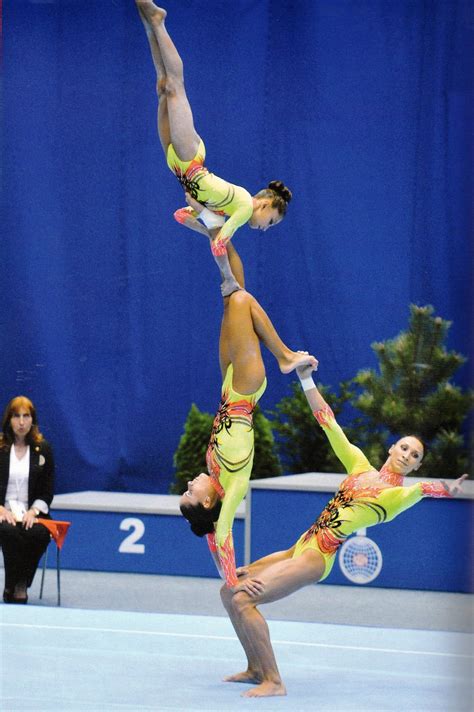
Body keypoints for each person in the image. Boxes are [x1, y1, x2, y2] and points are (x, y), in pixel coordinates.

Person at [219, 362, 468, 698]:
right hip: (300, 545)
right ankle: (255, 668)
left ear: (418, 466)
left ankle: (274, 681)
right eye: (405, 447)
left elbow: (422, 490)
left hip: (319, 556)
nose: (408, 455)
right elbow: (328, 422)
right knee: (229, 590)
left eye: (416, 455)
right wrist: (306, 378)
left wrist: (446, 488)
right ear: (393, 448)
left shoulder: (397, 496)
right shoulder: (359, 466)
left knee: (245, 597)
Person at [179, 244, 317, 589]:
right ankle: (285, 356)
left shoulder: (214, 473)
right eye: (190, 492)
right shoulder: (234, 487)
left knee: (231, 298)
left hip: (229, 386)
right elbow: (222, 532)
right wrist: (232, 580)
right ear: (208, 500)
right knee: (242, 302)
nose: (188, 484)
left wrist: (221, 570)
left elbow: (211, 537)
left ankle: (217, 232)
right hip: (246, 387)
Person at [135, 1, 292, 296]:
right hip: (190, 160)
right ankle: (157, 22)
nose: (265, 229)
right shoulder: (244, 207)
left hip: (177, 166)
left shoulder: (226, 211)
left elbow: (181, 215)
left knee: (162, 87)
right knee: (175, 87)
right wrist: (229, 280)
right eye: (270, 222)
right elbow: (218, 243)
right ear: (265, 204)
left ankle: (148, 25)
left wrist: (204, 217)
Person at [0, 396, 54, 604]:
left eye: (26, 416)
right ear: (9, 420)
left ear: (33, 420)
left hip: (30, 513)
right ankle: (13, 585)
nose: (21, 422)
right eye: (16, 416)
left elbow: (47, 492)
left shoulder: (44, 449)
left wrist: (33, 512)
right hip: (3, 514)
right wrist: (2, 511)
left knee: (40, 533)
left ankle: (19, 583)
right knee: (8, 531)